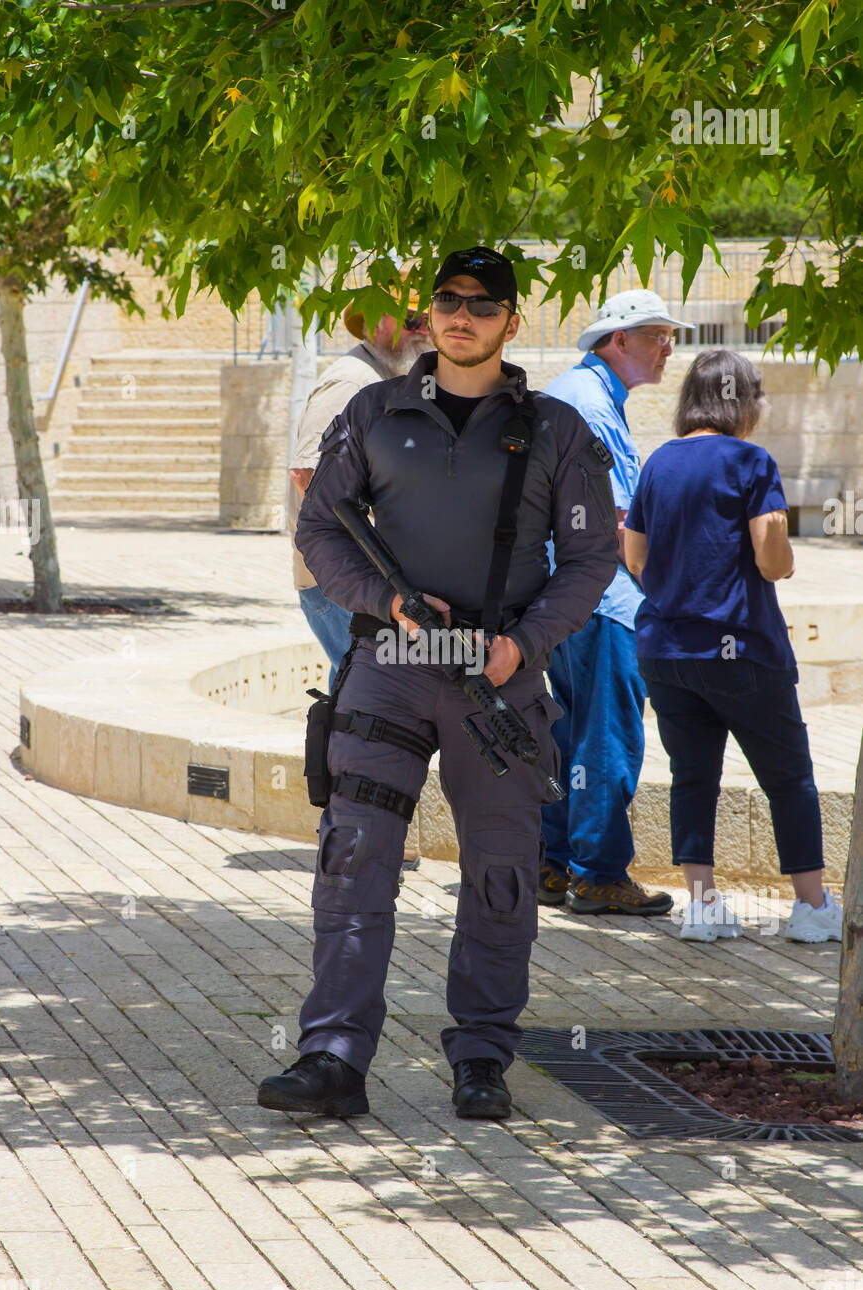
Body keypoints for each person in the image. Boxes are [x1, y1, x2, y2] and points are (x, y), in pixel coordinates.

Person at [257, 246, 619, 1121]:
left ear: (511, 320)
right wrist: (384, 598)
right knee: (352, 863)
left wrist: (523, 645)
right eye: (448, 301)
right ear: (429, 312)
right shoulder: (375, 412)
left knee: (500, 874)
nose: (462, 316)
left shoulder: (558, 432)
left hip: (497, 685)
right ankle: (334, 1058)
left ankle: (484, 1056)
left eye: (482, 304)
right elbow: (321, 532)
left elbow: (592, 557)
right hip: (389, 671)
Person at [623, 348, 842, 944]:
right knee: (789, 777)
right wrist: (785, 556)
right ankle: (812, 907)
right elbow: (771, 560)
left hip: (667, 651)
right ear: (742, 401)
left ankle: (702, 906)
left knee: (693, 776)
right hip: (742, 650)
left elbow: (635, 556)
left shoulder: (659, 462)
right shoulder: (751, 461)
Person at [537, 289, 694, 917]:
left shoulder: (582, 393)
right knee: (607, 737)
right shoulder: (592, 405)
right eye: (658, 335)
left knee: (567, 732)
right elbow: (621, 519)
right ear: (618, 340)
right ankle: (599, 874)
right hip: (602, 599)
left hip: (567, 597)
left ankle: (551, 865)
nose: (668, 348)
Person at [288, 276, 431, 688]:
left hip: (355, 578)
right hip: (341, 577)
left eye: (425, 320)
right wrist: (364, 562)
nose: (423, 331)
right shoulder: (354, 381)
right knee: (364, 689)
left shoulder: (380, 377)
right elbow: (307, 474)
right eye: (411, 320)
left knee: (360, 690)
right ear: (374, 318)